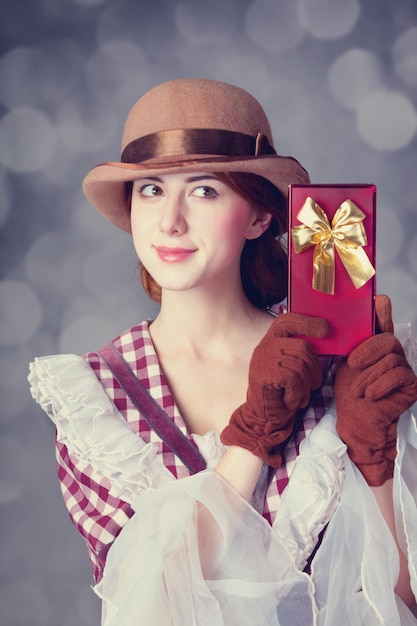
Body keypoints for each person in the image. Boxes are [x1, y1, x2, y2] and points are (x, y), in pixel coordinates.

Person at [28, 78, 417, 625]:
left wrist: (376, 460)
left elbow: (398, 602)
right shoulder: (95, 398)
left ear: (260, 217)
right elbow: (156, 602)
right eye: (152, 189)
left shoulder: (341, 363)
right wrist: (256, 429)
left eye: (204, 190)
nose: (171, 221)